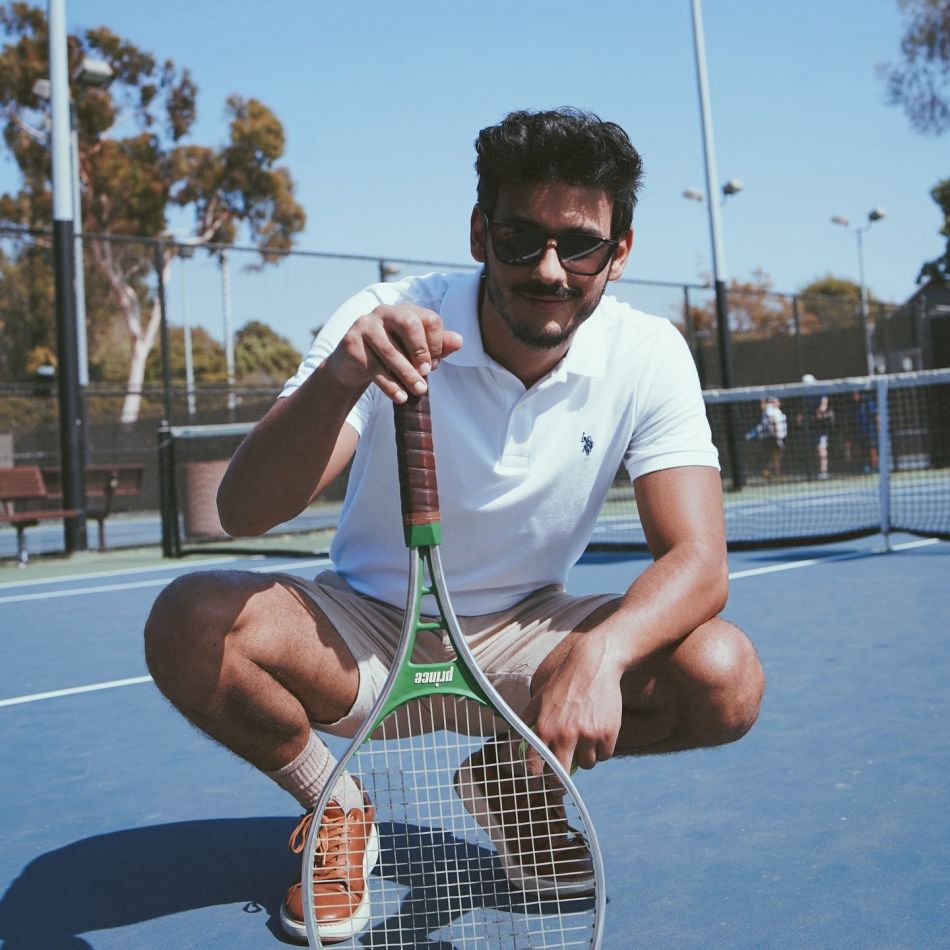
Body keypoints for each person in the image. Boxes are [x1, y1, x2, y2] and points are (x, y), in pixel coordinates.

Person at [143, 107, 765, 944]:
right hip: (363, 634)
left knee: (724, 674)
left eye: (580, 245)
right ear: (480, 234)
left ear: (619, 253)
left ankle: (512, 781)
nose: (549, 269)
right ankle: (334, 801)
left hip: (528, 638)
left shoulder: (648, 353)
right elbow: (242, 511)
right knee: (190, 622)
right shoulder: (387, 315)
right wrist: (343, 372)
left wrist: (602, 653)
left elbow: (699, 559)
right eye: (520, 238)